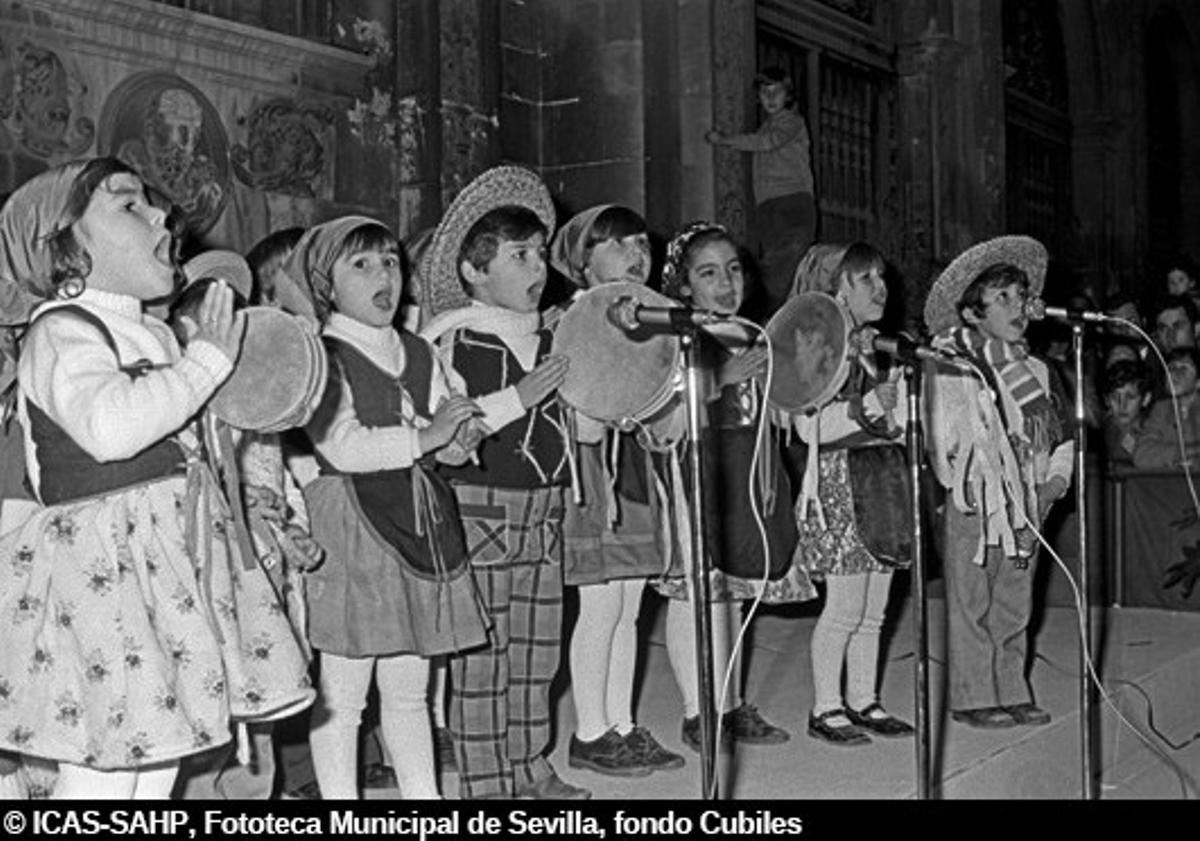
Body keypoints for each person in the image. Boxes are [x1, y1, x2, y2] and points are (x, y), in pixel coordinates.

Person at [0, 158, 314, 798]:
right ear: (64, 250)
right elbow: (110, 429)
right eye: (127, 207)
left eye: (152, 204)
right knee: (106, 770)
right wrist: (203, 366)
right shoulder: (63, 331)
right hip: (103, 574)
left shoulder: (156, 335)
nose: (161, 215)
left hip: (162, 565)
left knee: (161, 753)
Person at [288, 215, 489, 799]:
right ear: (327, 284)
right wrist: (427, 438)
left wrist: (458, 437)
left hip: (419, 522)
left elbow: (447, 423)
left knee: (410, 684)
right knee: (344, 695)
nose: (385, 275)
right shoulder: (322, 354)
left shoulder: (420, 351)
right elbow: (343, 446)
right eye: (362, 264)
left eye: (391, 262)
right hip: (352, 526)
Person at [418, 165, 585, 800]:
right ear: (474, 272)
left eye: (540, 253)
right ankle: (486, 783)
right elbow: (448, 427)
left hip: (544, 507)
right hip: (481, 505)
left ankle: (528, 763)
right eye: (519, 256)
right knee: (483, 655)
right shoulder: (454, 340)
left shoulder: (553, 337)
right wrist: (520, 396)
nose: (538, 268)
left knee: (539, 650)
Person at [171, 249, 324, 800]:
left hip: (265, 580)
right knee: (206, 710)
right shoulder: (180, 406)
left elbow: (280, 483)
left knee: (263, 705)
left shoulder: (257, 407)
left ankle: (257, 794)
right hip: (209, 584)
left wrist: (294, 532)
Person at [655, 220, 809, 755]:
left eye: (733, 270)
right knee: (697, 589)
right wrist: (723, 378)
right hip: (703, 461)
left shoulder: (751, 332)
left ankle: (731, 700)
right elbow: (663, 406)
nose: (725, 283)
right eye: (708, 273)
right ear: (684, 286)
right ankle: (700, 710)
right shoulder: (679, 338)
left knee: (735, 592)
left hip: (751, 463)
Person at [549, 204, 682, 778]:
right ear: (582, 263)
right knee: (600, 607)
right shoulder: (569, 319)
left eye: (641, 243)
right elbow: (569, 404)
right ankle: (589, 731)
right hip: (590, 475)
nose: (636, 253)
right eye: (617, 244)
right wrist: (608, 416)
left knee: (630, 607)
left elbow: (666, 410)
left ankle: (622, 725)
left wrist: (657, 418)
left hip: (634, 471)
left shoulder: (653, 323)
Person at [923, 235, 1074, 730]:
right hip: (975, 501)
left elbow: (1060, 437)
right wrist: (971, 482)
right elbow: (941, 435)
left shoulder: (1038, 370)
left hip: (1028, 502)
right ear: (972, 314)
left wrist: (1052, 483)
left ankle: (1012, 687)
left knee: (1015, 599)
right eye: (1001, 298)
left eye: (1020, 296)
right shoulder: (953, 367)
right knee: (971, 600)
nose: (1018, 308)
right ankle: (972, 695)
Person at [788, 243, 915, 746]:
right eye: (867, 280)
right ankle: (826, 705)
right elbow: (806, 425)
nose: (880, 288)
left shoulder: (878, 347)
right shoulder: (819, 348)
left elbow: (896, 420)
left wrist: (899, 415)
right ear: (837, 289)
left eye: (882, 277)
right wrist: (868, 406)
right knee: (843, 607)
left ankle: (864, 698)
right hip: (839, 480)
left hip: (882, 479)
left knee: (875, 609)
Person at [705, 67, 816, 316]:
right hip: (768, 206)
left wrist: (724, 139)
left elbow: (767, 143)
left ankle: (756, 306)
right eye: (765, 92)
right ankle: (768, 313)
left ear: (788, 95)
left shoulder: (792, 122)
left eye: (777, 91)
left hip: (793, 201)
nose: (770, 97)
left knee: (783, 263)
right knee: (780, 266)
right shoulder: (765, 127)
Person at [1132, 347, 1200, 469]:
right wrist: (1185, 452)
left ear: (1198, 382)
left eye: (1184, 368)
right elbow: (1142, 455)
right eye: (1171, 368)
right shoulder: (1161, 409)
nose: (1175, 374)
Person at [1101, 359, 1152, 466]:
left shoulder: (1155, 430)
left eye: (1130, 397)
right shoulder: (1100, 432)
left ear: (1146, 399)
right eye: (1114, 397)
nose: (1122, 405)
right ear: (1106, 400)